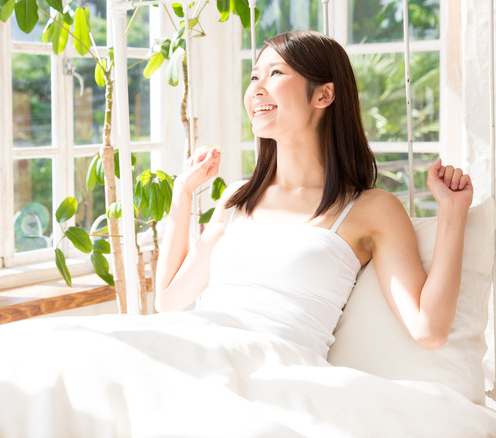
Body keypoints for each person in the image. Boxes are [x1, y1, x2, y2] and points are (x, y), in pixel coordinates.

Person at [155, 30, 473, 357]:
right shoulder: (238, 198)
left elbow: (428, 330)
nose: (256, 89)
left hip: (273, 371)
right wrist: (182, 192)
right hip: (196, 349)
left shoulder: (372, 209)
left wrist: (453, 213)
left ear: (324, 94)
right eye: (254, 77)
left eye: (275, 73)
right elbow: (168, 300)